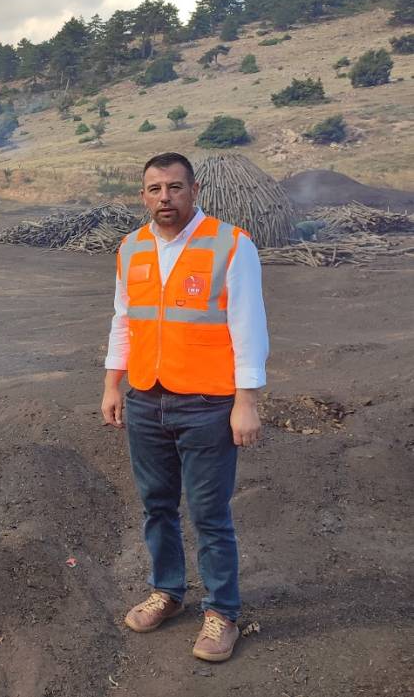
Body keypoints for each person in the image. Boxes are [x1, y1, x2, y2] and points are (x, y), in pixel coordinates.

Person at [101, 152, 268, 663]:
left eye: (175, 187)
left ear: (195, 191)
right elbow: (124, 321)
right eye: (154, 189)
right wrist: (113, 385)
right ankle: (168, 592)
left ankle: (222, 613)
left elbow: (248, 327)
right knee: (156, 506)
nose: (164, 198)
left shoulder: (231, 245)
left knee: (210, 514)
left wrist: (247, 402)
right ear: (143, 195)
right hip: (146, 399)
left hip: (207, 404)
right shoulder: (131, 248)